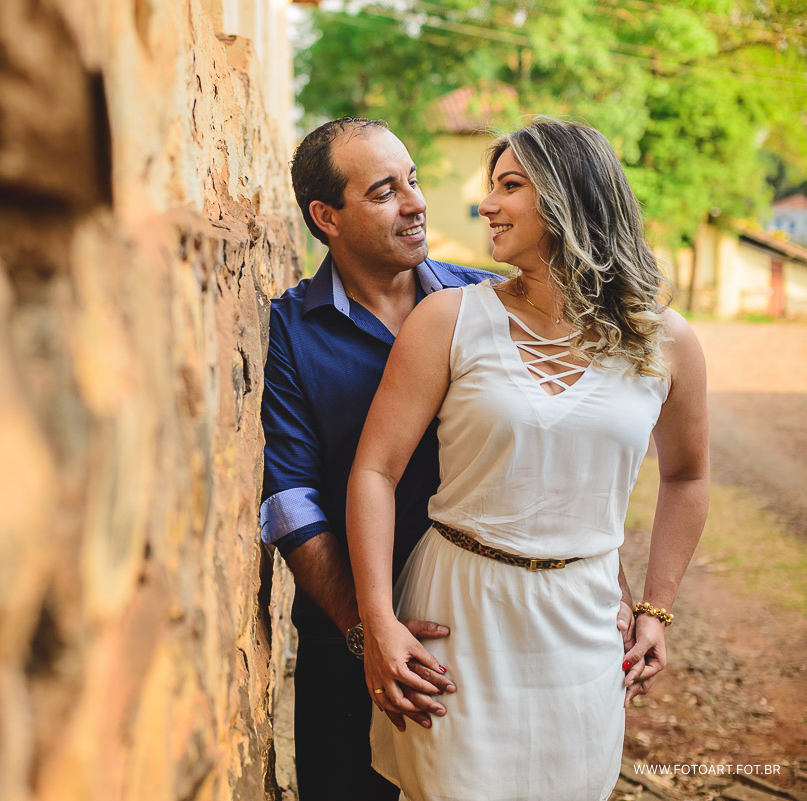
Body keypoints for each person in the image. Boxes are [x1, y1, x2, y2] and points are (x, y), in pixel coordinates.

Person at [260, 117, 640, 800]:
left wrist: (614, 582)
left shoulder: (489, 304)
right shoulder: (287, 330)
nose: (416, 203)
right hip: (349, 633)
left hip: (487, 625)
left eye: (413, 180)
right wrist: (367, 627)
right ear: (326, 217)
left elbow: (569, 444)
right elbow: (290, 500)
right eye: (384, 192)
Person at [346, 116, 709, 801]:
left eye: (509, 186)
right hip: (458, 615)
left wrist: (656, 609)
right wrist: (379, 621)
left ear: (571, 195)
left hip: (585, 620)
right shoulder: (449, 319)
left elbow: (687, 475)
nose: (486, 204)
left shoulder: (666, 341)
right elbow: (374, 471)